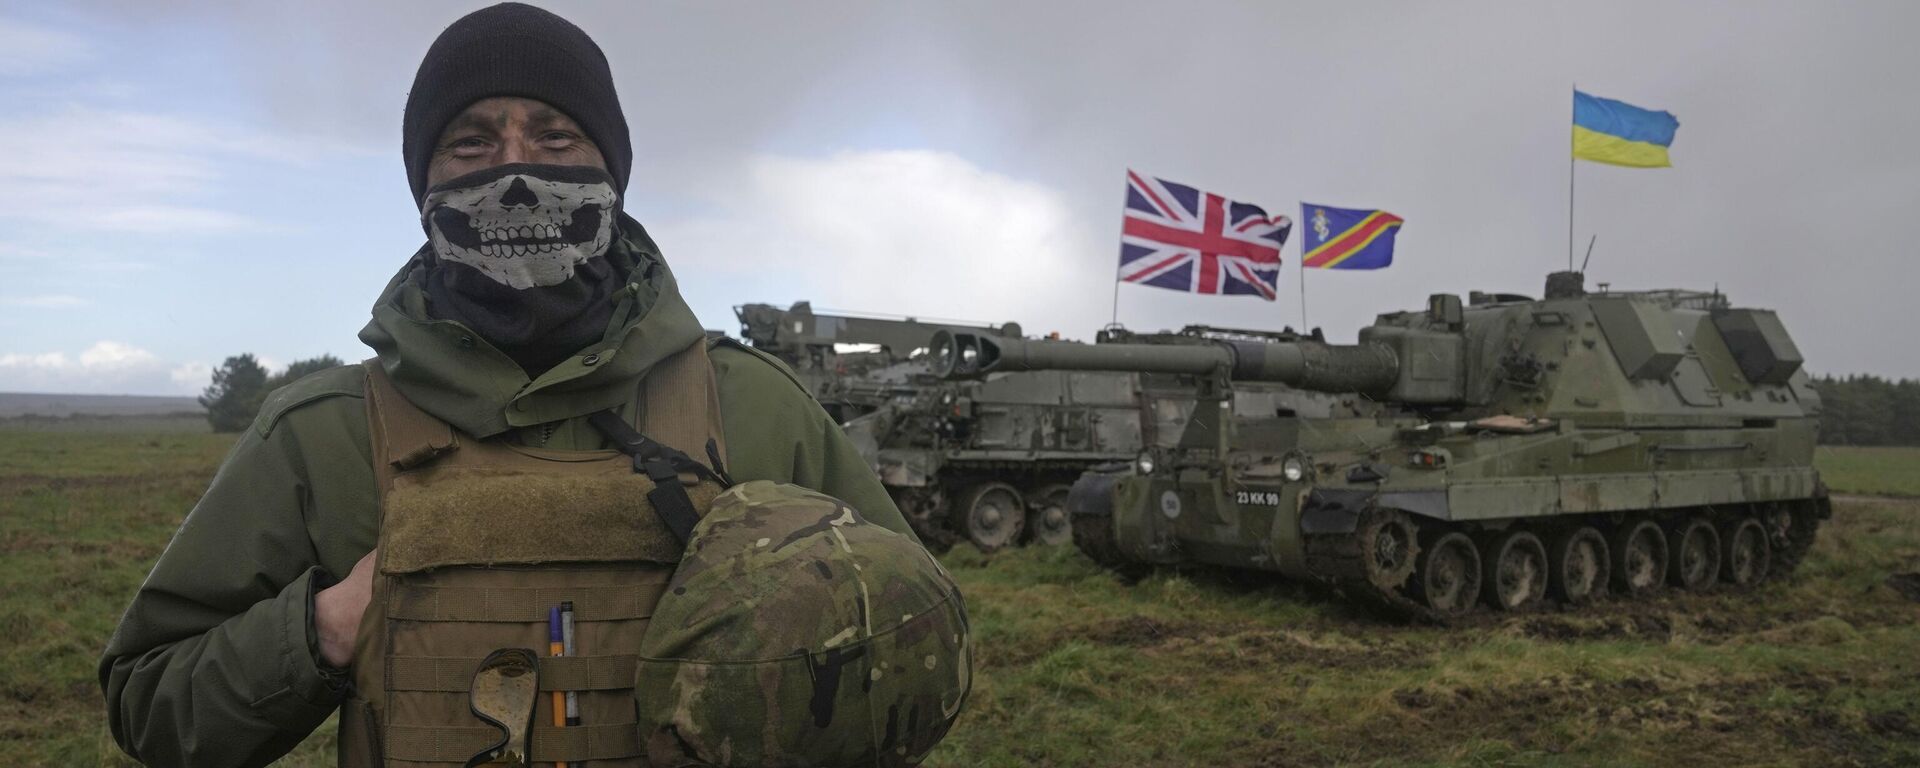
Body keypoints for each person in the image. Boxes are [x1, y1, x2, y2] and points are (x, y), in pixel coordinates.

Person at [99, 5, 968, 767]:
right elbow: (150, 703)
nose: (514, 170)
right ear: (423, 183)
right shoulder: (322, 434)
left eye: (555, 138)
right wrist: (325, 629)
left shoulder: (752, 407)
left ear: (612, 174)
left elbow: (918, 647)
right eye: (471, 140)